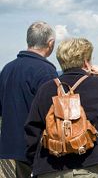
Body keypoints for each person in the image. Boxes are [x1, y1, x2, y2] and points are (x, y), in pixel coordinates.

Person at [25, 38, 98, 177]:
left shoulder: (46, 89)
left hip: (49, 166)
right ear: (86, 61)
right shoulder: (97, 85)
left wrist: (34, 161)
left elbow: (32, 129)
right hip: (87, 165)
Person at [0, 22, 57, 178]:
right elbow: (53, 111)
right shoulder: (46, 71)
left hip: (15, 145)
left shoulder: (8, 68)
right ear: (50, 43)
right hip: (40, 146)